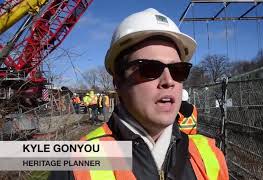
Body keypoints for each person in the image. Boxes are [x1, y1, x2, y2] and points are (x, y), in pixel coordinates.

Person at [49, 8, 228, 180]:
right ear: (118, 82)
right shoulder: (75, 166)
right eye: (150, 69)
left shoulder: (210, 156)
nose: (168, 80)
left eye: (178, 70)